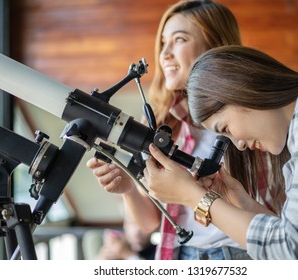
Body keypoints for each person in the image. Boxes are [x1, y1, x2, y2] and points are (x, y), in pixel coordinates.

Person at [144, 45, 298, 259]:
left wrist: (193, 197)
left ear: (240, 91)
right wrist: (243, 204)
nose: (238, 145)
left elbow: (294, 253)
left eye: (226, 129)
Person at [87, 0, 256, 260]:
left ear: (215, 46)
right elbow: (150, 223)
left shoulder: (251, 117)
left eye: (179, 40)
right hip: (180, 255)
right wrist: (128, 189)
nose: (164, 54)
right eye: (163, 43)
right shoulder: (160, 123)